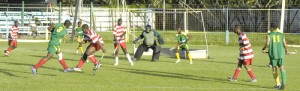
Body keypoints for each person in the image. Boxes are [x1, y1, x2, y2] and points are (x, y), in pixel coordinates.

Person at [262, 23, 287, 90]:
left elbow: (267, 44)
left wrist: (263, 49)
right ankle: (283, 83)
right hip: (281, 54)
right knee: (282, 68)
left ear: (272, 28)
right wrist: (286, 50)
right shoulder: (282, 34)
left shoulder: (269, 35)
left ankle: (278, 84)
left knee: (274, 68)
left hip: (273, 54)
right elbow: (285, 44)